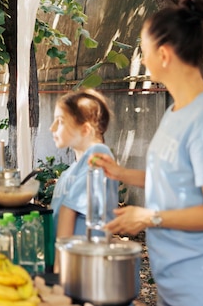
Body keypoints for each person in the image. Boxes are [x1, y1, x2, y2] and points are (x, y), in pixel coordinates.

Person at [91, 0, 203, 306]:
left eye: (144, 49)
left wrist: (148, 217)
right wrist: (120, 172)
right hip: (180, 288)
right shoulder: (176, 112)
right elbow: (174, 180)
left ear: (164, 54)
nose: (143, 57)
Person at [49, 89, 119, 273]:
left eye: (61, 121)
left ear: (85, 129)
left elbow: (68, 212)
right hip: (73, 264)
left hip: (81, 268)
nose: (52, 128)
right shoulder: (74, 168)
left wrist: (58, 271)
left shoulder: (98, 155)